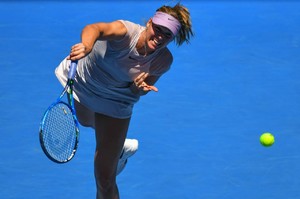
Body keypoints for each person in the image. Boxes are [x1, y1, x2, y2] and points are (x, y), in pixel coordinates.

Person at [55, 3, 193, 199]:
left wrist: (138, 88)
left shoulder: (163, 60)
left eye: (167, 34)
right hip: (85, 82)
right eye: (158, 29)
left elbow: (139, 90)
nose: (160, 36)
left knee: (105, 179)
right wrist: (86, 45)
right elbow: (95, 28)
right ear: (150, 23)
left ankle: (116, 146)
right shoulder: (125, 32)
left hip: (116, 100)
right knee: (85, 121)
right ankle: (119, 146)